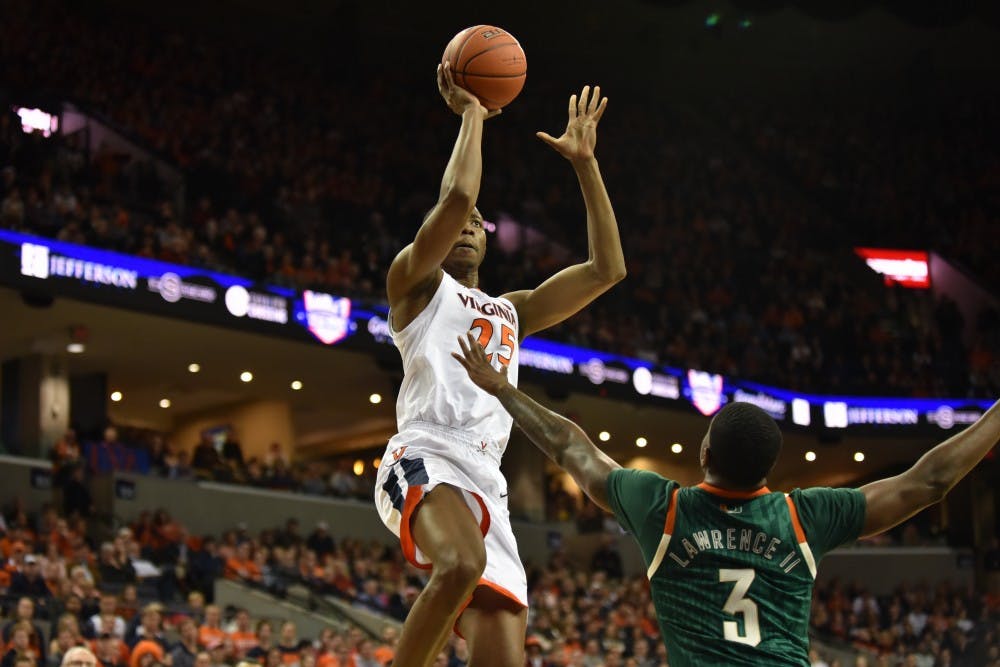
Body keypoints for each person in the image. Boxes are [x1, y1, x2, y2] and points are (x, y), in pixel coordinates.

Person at [452, 333, 1000, 666]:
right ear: (770, 471)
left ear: (704, 451)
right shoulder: (803, 516)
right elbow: (928, 483)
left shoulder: (663, 508)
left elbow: (571, 446)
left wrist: (501, 388)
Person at [374, 57, 625, 666]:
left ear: (489, 241)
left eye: (481, 224)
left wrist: (587, 167)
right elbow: (459, 195)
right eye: (460, 223)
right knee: (460, 563)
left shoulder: (511, 310)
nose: (470, 224)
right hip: (425, 455)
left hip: (490, 479)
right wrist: (472, 113)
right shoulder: (414, 284)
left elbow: (606, 270)